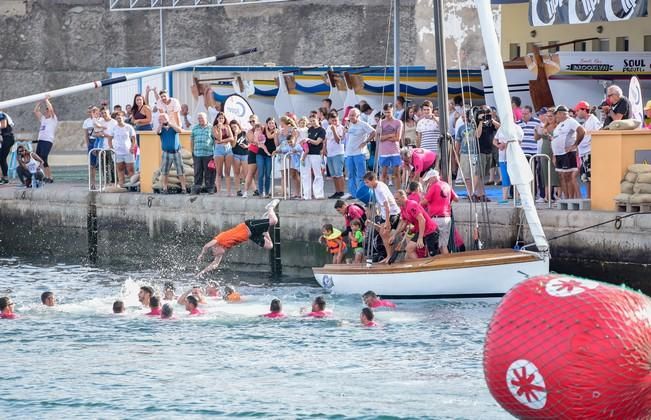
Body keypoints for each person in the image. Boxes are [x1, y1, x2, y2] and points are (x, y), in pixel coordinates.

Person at [197, 199, 279, 275]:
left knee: (274, 221)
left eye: (216, 254)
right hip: (251, 235)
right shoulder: (223, 247)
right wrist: (202, 272)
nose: (218, 256)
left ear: (215, 248)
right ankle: (265, 230)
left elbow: (206, 246)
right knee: (270, 246)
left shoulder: (219, 239)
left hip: (249, 226)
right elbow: (215, 264)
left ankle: (270, 207)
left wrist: (202, 254)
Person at [363, 171, 401, 263]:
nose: (366, 184)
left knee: (384, 233)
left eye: (367, 182)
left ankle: (389, 256)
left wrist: (387, 221)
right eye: (365, 182)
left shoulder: (380, 190)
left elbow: (387, 206)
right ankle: (388, 255)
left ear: (373, 180)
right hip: (384, 213)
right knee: (382, 232)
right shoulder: (376, 186)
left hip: (392, 213)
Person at [394, 189, 439, 259]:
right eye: (395, 199)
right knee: (409, 249)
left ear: (403, 197)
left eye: (397, 199)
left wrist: (420, 238)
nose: (395, 201)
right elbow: (403, 223)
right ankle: (420, 267)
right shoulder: (402, 208)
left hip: (430, 231)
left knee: (432, 256)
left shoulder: (412, 205)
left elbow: (422, 220)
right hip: (422, 230)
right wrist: (394, 235)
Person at [552, 106, 585, 199]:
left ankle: (571, 199)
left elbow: (582, 131)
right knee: (562, 176)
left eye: (557, 114)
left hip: (567, 153)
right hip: (559, 154)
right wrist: (554, 154)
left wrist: (575, 145)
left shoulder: (571, 121)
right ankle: (566, 198)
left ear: (562, 113)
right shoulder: (560, 124)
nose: (556, 116)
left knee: (568, 175)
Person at [344, 108, 375, 199]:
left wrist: (366, 142)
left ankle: (362, 194)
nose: (351, 117)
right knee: (350, 174)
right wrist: (345, 127)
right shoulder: (349, 124)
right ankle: (353, 194)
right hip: (349, 153)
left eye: (353, 115)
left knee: (361, 175)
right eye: (350, 115)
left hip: (359, 153)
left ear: (358, 116)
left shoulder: (363, 124)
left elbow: (373, 132)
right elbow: (345, 135)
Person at [574, 101, 601, 198]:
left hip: (589, 152)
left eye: (577, 111)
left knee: (590, 177)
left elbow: (599, 132)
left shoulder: (593, 120)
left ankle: (592, 198)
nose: (576, 113)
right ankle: (589, 198)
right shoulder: (586, 122)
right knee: (586, 178)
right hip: (584, 152)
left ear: (583, 110)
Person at [105, 112, 137, 187]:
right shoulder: (114, 128)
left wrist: (132, 147)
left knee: (130, 169)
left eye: (119, 117)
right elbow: (109, 139)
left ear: (123, 117)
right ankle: (122, 184)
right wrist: (111, 148)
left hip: (128, 151)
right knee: (120, 169)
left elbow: (133, 138)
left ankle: (132, 185)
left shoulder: (129, 127)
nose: (118, 119)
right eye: (116, 118)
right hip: (117, 152)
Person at [157, 113, 187, 194]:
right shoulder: (161, 129)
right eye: (160, 119)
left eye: (162, 118)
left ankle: (184, 188)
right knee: (165, 171)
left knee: (180, 171)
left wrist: (170, 124)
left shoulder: (173, 127)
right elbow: (157, 132)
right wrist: (161, 125)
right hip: (166, 152)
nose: (161, 120)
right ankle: (165, 188)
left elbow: (180, 130)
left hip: (176, 152)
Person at [378, 103, 403, 187]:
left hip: (395, 151)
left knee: (396, 174)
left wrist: (385, 137)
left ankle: (399, 194)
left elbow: (397, 138)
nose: (387, 114)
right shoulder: (381, 122)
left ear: (392, 111)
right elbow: (378, 138)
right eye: (385, 112)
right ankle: (383, 195)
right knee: (383, 174)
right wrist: (390, 135)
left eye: (389, 112)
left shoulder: (398, 122)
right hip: (384, 152)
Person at [33, 95, 57, 183]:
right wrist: (39, 102)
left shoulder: (53, 119)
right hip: (41, 140)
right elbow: (35, 111)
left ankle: (49, 177)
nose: (46, 111)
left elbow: (51, 109)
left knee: (43, 157)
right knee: (37, 158)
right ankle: (42, 176)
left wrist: (47, 100)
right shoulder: (43, 119)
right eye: (46, 110)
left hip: (47, 141)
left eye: (47, 110)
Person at [301, 115, 325, 200]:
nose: (312, 123)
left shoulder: (321, 130)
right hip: (307, 154)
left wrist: (309, 140)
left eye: (314, 121)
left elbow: (318, 142)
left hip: (316, 154)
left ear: (318, 120)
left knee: (317, 174)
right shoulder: (310, 130)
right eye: (310, 121)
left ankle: (318, 194)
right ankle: (306, 195)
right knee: (305, 175)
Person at [190, 112, 215, 195]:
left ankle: (210, 188)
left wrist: (214, 154)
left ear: (206, 118)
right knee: (197, 172)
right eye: (199, 118)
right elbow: (192, 140)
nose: (200, 120)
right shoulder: (195, 128)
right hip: (197, 153)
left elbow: (215, 141)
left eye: (202, 118)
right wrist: (192, 152)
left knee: (209, 172)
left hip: (208, 153)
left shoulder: (211, 128)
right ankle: (197, 188)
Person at [213, 112, 235, 195]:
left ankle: (229, 192)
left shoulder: (227, 126)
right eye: (220, 118)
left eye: (223, 118)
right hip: (219, 150)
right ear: (217, 119)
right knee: (219, 172)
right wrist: (219, 129)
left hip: (228, 149)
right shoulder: (214, 128)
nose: (221, 119)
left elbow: (231, 138)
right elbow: (218, 137)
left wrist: (221, 141)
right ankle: (218, 191)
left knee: (228, 172)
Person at [325, 113, 346, 199]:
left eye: (335, 120)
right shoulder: (328, 127)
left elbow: (338, 140)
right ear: (329, 120)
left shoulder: (340, 128)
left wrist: (334, 130)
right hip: (330, 153)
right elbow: (326, 139)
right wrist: (324, 148)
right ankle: (337, 191)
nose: (334, 122)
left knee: (339, 174)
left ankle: (341, 191)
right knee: (333, 174)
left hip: (338, 153)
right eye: (332, 120)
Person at [257, 118, 277, 198]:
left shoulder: (276, 131)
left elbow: (269, 137)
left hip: (270, 155)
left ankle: (267, 192)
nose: (271, 125)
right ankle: (261, 192)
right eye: (269, 123)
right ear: (266, 124)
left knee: (268, 174)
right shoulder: (263, 130)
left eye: (272, 123)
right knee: (261, 173)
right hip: (261, 154)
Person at [230, 120, 249, 197]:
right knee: (236, 173)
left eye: (235, 126)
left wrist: (247, 146)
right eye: (232, 127)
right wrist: (235, 135)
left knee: (246, 173)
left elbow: (249, 142)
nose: (234, 128)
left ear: (238, 125)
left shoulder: (244, 133)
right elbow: (233, 145)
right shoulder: (232, 134)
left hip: (245, 154)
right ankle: (238, 190)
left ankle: (246, 190)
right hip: (235, 154)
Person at [0, 110, 15, 184]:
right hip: (7, 138)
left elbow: (4, 125)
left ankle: (5, 178)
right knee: (2, 158)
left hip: (8, 138)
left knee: (2, 158)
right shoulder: (2, 114)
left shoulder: (1, 114)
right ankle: (4, 177)